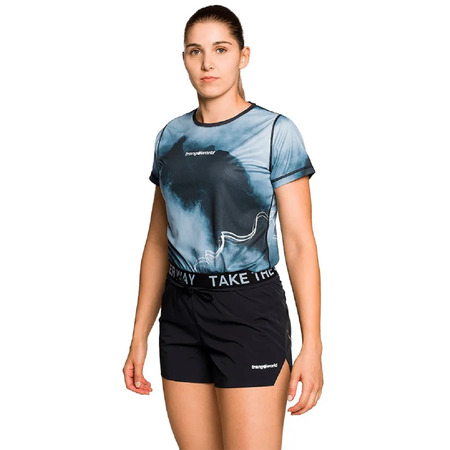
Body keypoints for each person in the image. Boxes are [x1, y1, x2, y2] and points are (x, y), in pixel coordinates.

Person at [123, 5, 323, 449]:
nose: (207, 63)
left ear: (243, 56)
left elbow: (299, 244)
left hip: (249, 310)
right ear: (184, 59)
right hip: (180, 313)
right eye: (195, 51)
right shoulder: (170, 136)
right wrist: (139, 336)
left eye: (221, 49)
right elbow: (157, 242)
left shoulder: (275, 131)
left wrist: (313, 345)